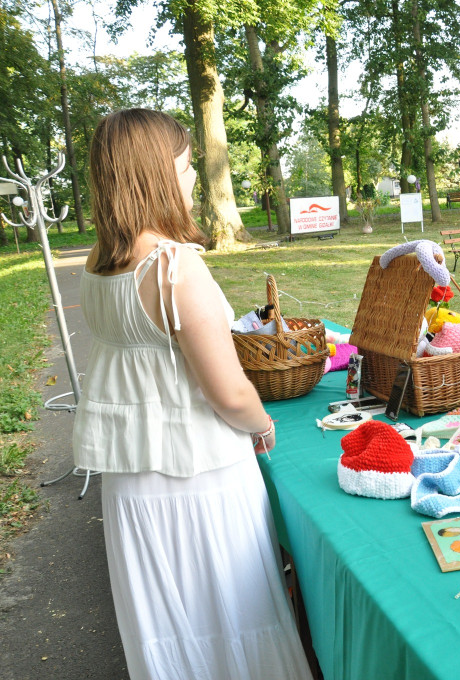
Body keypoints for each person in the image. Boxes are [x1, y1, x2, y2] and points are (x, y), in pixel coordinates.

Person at [71, 109, 313, 679]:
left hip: (132, 482)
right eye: (184, 166)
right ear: (155, 173)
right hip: (201, 477)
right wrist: (261, 424)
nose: (190, 179)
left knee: (169, 630)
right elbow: (228, 391)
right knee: (233, 618)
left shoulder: (96, 264)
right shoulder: (174, 266)